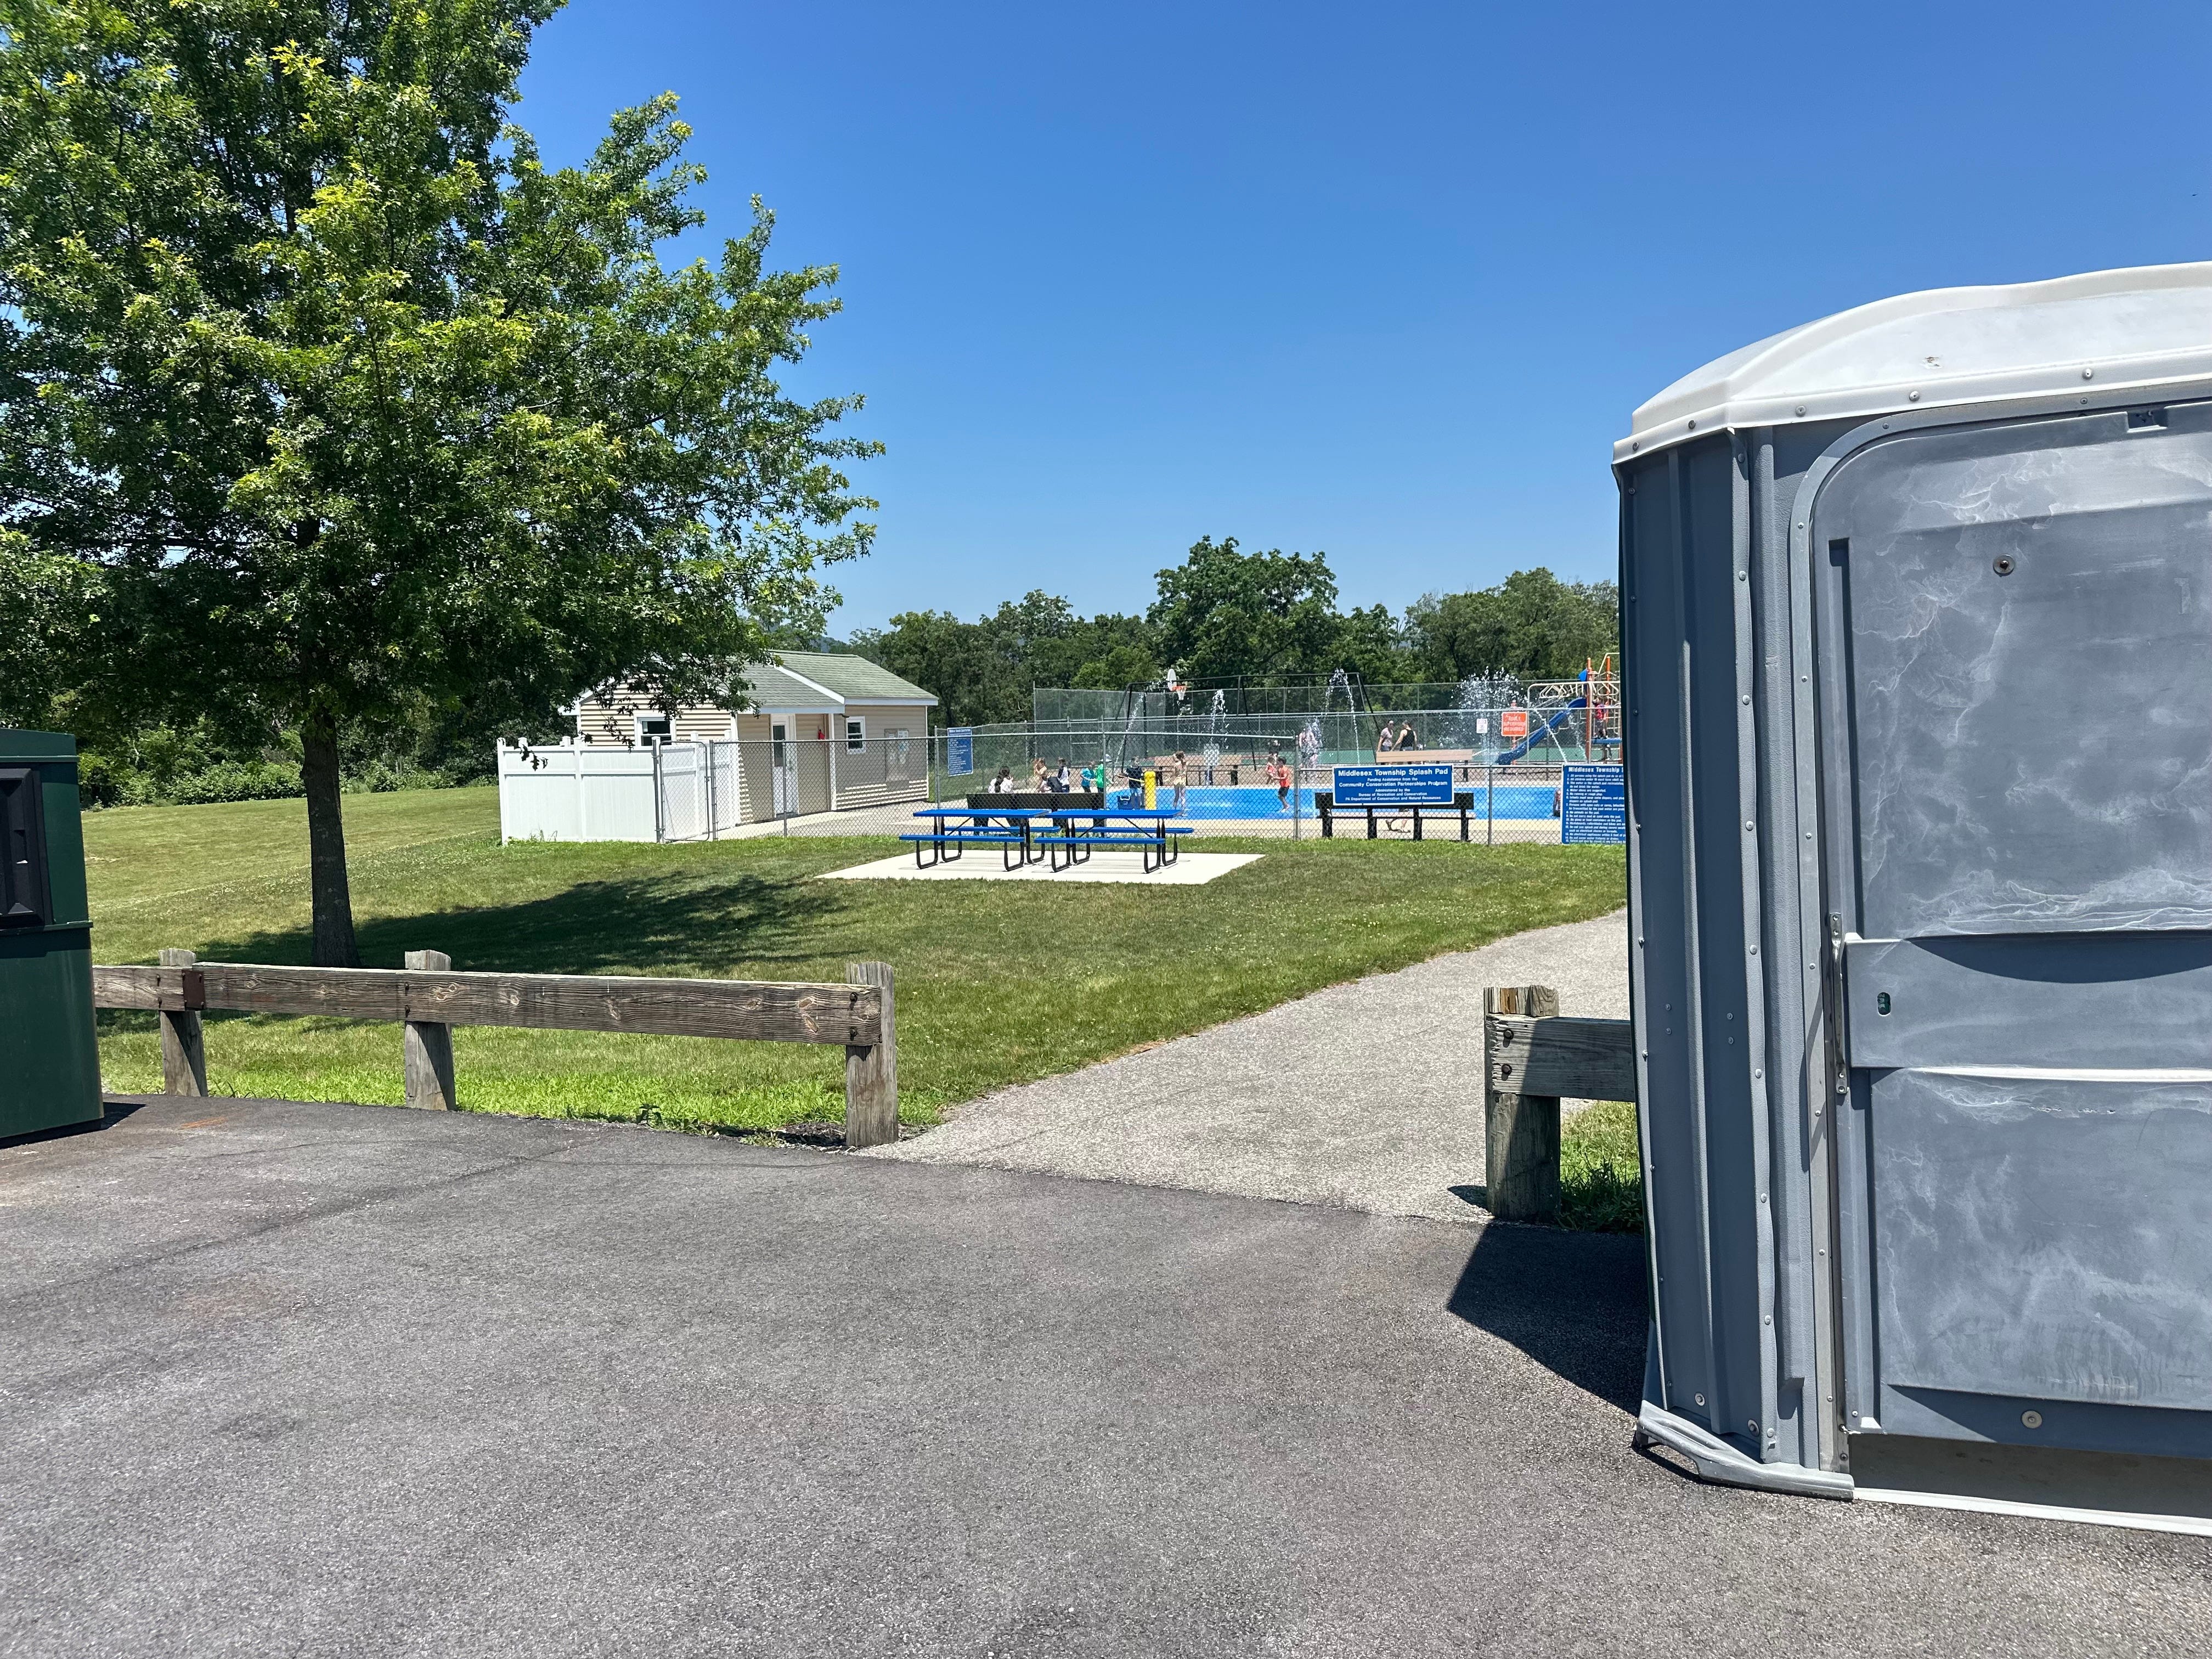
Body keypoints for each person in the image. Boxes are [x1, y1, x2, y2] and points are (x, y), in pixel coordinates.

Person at [1164, 750, 1188, 815]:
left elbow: (1174, 773)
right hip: (1182, 780)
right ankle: (1183, 812)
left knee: (1177, 796)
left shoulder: (1175, 765)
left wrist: (1169, 778)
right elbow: (1184, 762)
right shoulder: (1184, 763)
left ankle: (1174, 809)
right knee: (1183, 797)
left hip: (1177, 780)